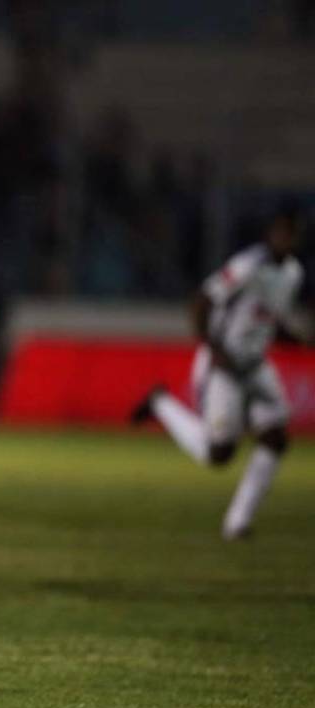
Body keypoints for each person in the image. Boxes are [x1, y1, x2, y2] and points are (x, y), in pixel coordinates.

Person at [131, 206, 309, 540]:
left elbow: (267, 320)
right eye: (281, 232)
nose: (286, 239)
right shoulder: (248, 266)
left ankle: (237, 522)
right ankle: (160, 402)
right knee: (219, 454)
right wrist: (214, 349)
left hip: (255, 364)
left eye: (292, 234)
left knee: (275, 438)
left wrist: (299, 338)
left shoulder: (293, 274)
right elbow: (201, 301)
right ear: (272, 234)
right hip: (224, 363)